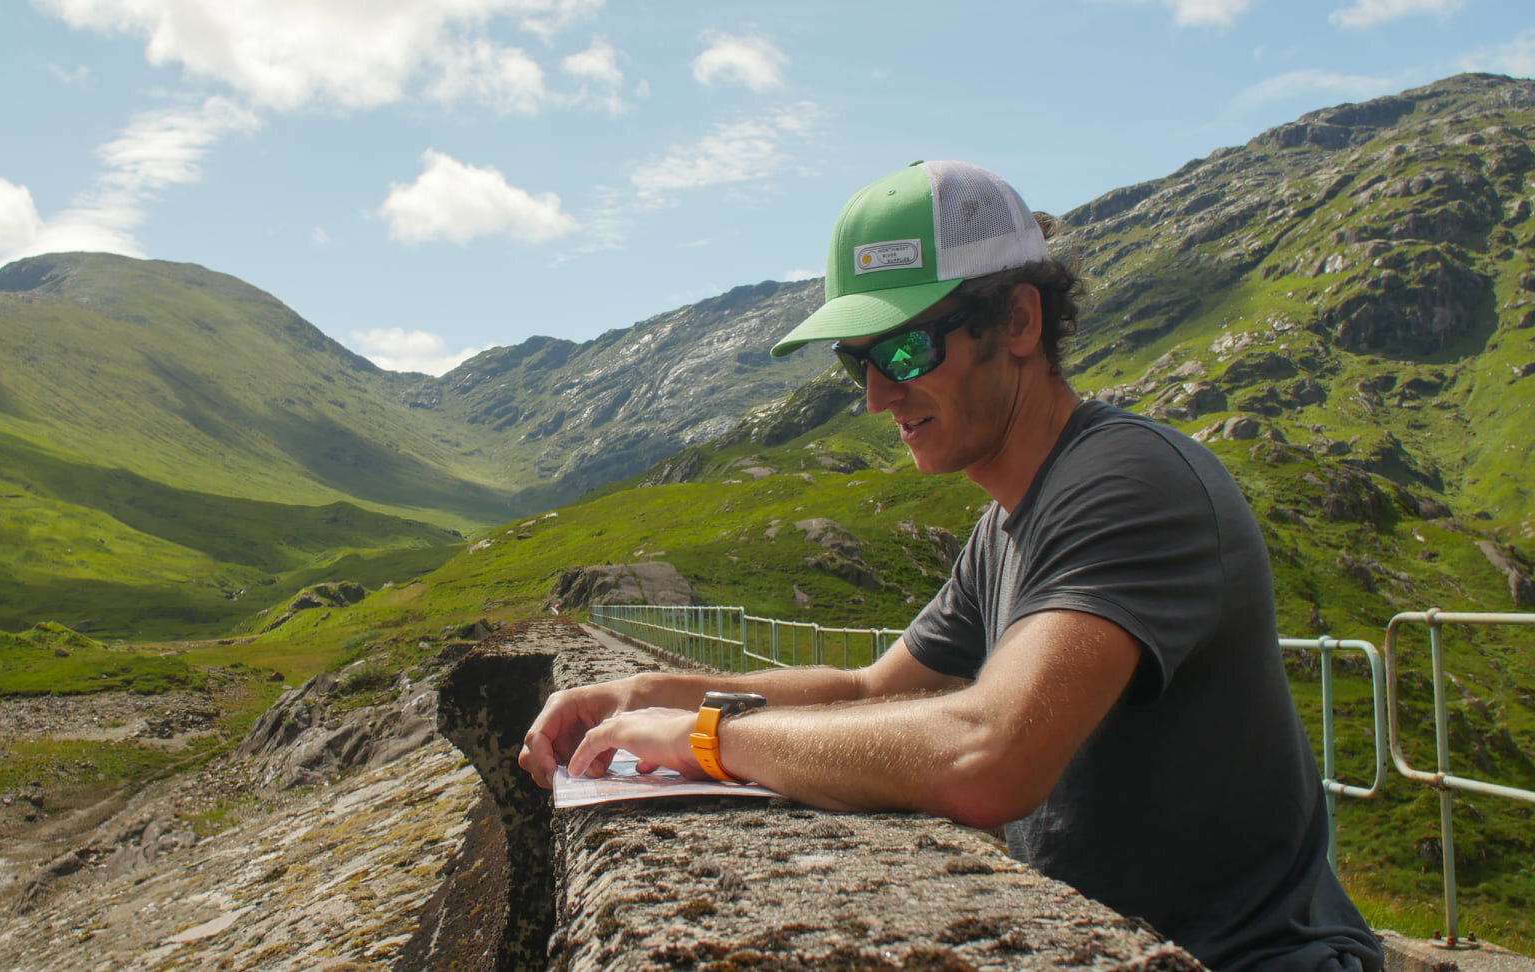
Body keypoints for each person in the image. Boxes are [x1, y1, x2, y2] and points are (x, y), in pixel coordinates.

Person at [518, 160, 1383, 971]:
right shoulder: (1007, 521)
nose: (878, 398)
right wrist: (645, 696)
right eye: (860, 361)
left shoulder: (1130, 483)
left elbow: (990, 756)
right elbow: (873, 693)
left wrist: (712, 741)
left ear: (1018, 321)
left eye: (905, 352)